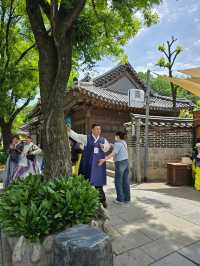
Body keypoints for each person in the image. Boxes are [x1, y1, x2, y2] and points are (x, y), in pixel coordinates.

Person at [69, 124, 110, 208]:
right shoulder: (86, 138)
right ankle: (84, 201)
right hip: (87, 164)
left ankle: (102, 200)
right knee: (84, 182)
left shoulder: (103, 139)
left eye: (100, 129)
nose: (99, 131)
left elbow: (107, 148)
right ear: (92, 130)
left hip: (97, 166)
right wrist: (69, 131)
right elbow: (76, 136)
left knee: (98, 185)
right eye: (97, 129)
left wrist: (104, 146)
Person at [99, 131, 131, 205]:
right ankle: (127, 199)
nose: (115, 137)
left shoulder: (117, 144)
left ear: (118, 136)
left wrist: (104, 159)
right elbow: (119, 148)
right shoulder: (124, 142)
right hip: (126, 162)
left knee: (118, 181)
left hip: (120, 163)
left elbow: (113, 154)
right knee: (125, 181)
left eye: (116, 136)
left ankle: (120, 199)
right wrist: (111, 145)